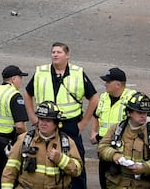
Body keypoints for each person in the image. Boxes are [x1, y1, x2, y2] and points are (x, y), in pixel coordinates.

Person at [28, 42, 99, 189]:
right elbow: (28, 94)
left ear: (67, 55)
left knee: (76, 160)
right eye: (53, 52)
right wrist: (33, 118)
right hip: (46, 123)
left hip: (70, 124)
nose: (55, 54)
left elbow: (94, 98)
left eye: (59, 52)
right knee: (43, 158)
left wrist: (84, 123)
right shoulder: (41, 72)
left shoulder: (77, 73)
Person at [4, 100, 83, 189]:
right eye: (41, 119)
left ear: (56, 123)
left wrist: (61, 159)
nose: (43, 123)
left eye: (48, 120)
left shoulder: (67, 143)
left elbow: (77, 170)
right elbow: (10, 169)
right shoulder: (24, 139)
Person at [96, 92, 150, 189]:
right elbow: (101, 148)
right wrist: (115, 156)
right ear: (129, 113)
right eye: (139, 112)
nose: (143, 116)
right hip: (116, 184)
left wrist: (144, 167)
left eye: (145, 113)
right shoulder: (116, 129)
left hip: (141, 185)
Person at [94, 68, 140, 185]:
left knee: (121, 182)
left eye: (108, 82)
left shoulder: (132, 98)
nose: (105, 84)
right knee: (104, 181)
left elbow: (143, 120)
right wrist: (93, 132)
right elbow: (96, 114)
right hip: (105, 147)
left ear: (118, 84)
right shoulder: (104, 97)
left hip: (123, 148)